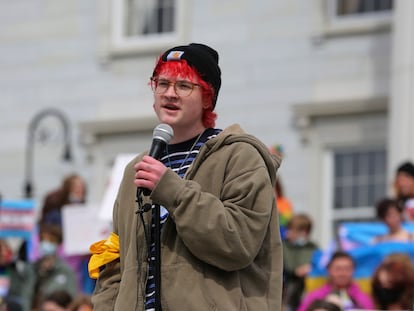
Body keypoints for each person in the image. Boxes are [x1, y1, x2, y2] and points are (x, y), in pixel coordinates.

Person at [89, 43, 283, 310]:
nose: (170, 93)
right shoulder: (138, 167)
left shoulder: (240, 156)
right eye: (162, 83)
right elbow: (116, 262)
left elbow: (237, 243)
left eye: (183, 86)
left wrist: (173, 191)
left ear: (207, 97)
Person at [297, 251, 375, 311]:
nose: (342, 273)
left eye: (347, 269)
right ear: (329, 270)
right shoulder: (314, 297)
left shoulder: (363, 299)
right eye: (338, 269)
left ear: (353, 270)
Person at [32, 224, 77, 310]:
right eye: (42, 239)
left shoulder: (66, 271)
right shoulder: (32, 268)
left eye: (50, 240)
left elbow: (72, 298)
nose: (45, 243)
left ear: (58, 244)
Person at [282, 213, 319, 311]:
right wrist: (295, 271)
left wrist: (311, 268)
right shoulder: (283, 246)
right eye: (288, 229)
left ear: (304, 232)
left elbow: (320, 265)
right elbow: (282, 267)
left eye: (292, 230)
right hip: (288, 292)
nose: (288, 233)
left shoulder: (313, 248)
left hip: (308, 291)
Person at [0, 239, 35, 311]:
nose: (3, 254)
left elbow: (26, 295)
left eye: (7, 250)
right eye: (1, 250)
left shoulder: (20, 270)